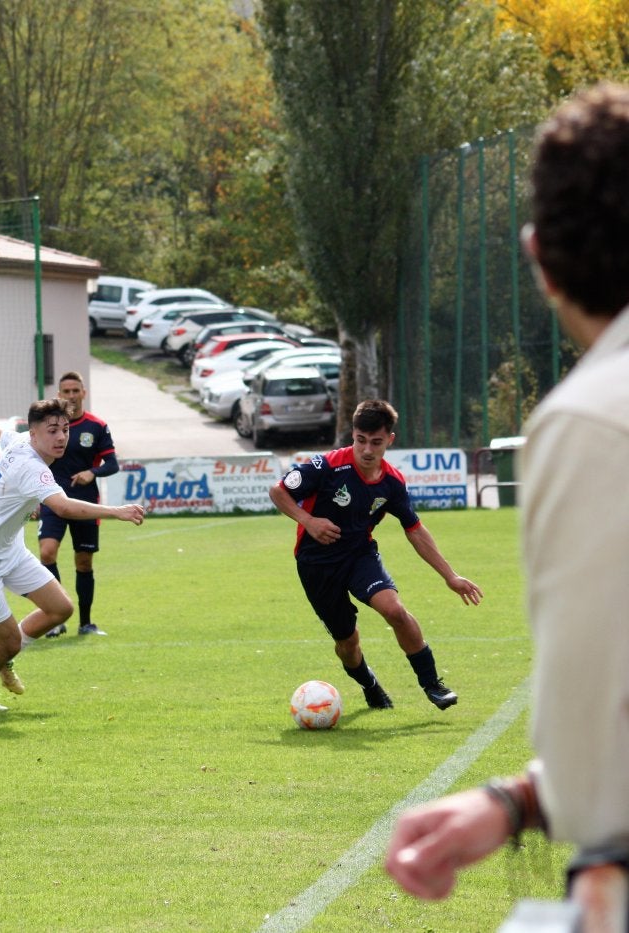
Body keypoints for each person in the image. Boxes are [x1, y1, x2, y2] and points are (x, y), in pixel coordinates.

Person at [386, 83, 629, 927]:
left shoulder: (594, 420)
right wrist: (521, 800)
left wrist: (541, 792)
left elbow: (597, 744)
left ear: (539, 257)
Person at [268, 399, 481, 711]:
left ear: (389, 440)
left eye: (376, 442)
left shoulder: (392, 483)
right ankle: (369, 683)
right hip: (317, 565)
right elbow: (278, 491)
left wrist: (450, 576)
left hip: (359, 557)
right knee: (347, 642)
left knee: (394, 610)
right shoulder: (327, 466)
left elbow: (415, 530)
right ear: (353, 434)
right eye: (361, 440)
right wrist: (308, 521)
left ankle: (432, 684)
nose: (367, 450)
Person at [0, 398, 145, 710]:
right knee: (9, 643)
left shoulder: (16, 439)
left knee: (60, 609)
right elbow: (64, 506)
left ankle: (4, 656)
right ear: (33, 434)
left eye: (65, 429)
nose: (61, 437)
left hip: (10, 550)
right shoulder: (33, 467)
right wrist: (117, 511)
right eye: (52, 430)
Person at [38, 370, 120, 637]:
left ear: (83, 393)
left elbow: (112, 464)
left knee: (83, 562)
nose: (71, 396)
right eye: (66, 391)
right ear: (58, 395)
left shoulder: (96, 426)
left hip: (85, 502)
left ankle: (85, 623)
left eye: (76, 391)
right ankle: (56, 619)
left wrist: (91, 472)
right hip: (52, 500)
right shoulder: (48, 428)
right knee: (47, 553)